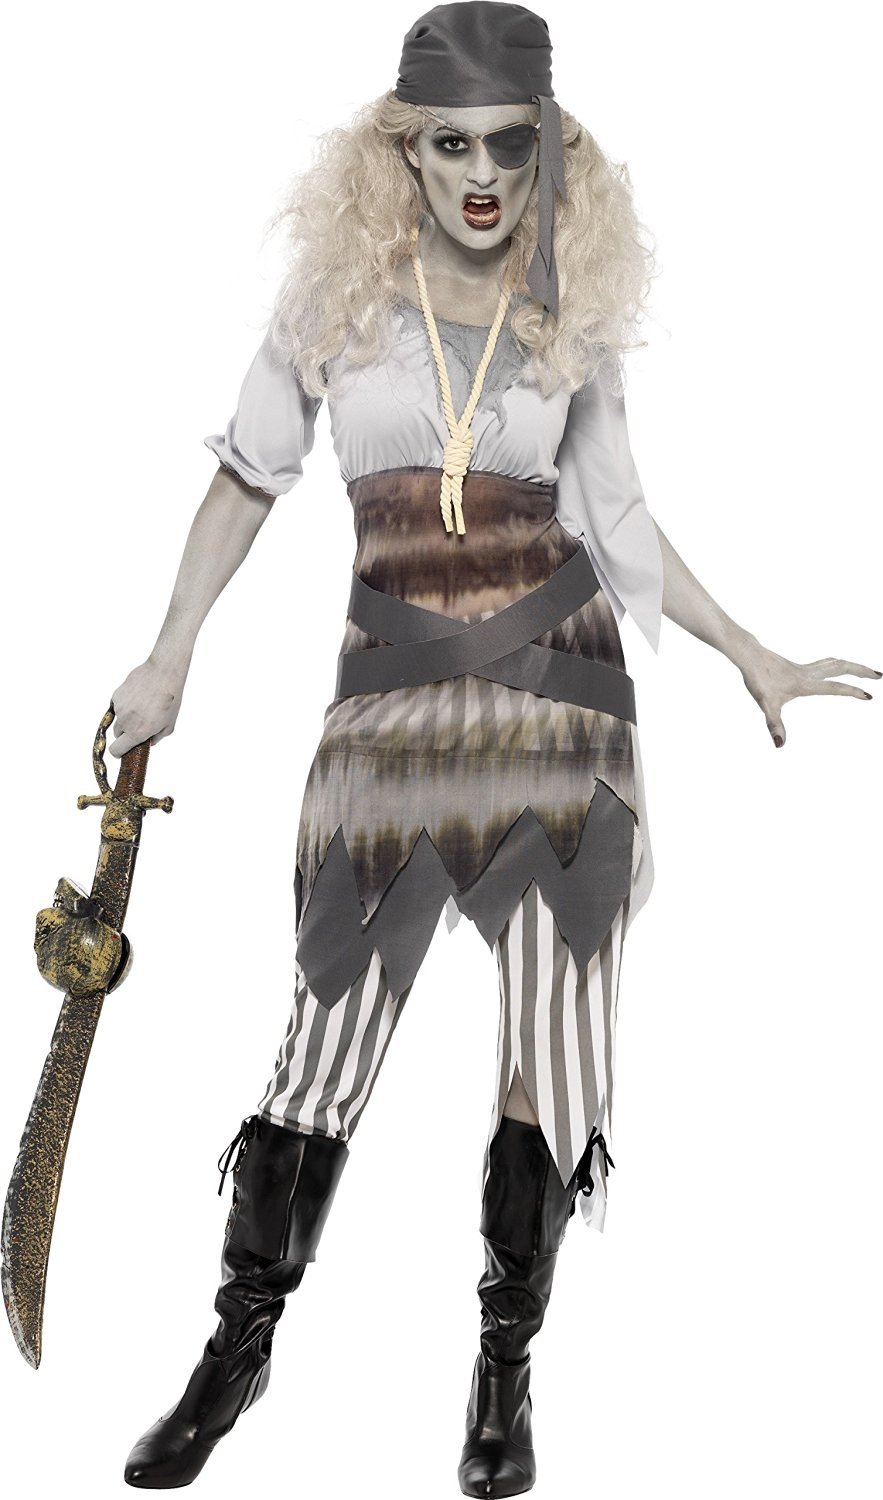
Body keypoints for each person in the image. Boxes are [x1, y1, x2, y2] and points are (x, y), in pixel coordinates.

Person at [114, 5, 878, 1495]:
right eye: (449, 144)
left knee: (547, 1049)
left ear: (546, 152)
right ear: (402, 152)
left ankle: (502, 1377)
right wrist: (169, 653)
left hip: (561, 715)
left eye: (506, 147)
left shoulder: (569, 316)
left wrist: (751, 651)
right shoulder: (338, 298)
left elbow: (621, 520)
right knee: (323, 1045)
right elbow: (246, 480)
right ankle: (235, 1349)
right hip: (388, 716)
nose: (479, 174)